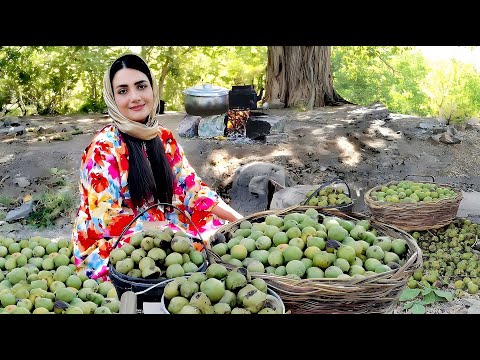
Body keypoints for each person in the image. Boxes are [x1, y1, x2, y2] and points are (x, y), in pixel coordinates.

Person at [72, 53, 243, 280]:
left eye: (141, 86)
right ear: (112, 98)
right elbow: (106, 220)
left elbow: (193, 189)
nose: (135, 97)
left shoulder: (163, 137)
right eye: (123, 91)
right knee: (185, 258)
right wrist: (169, 231)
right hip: (113, 241)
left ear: (152, 88)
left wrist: (240, 220)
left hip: (157, 227)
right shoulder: (104, 149)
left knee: (218, 230)